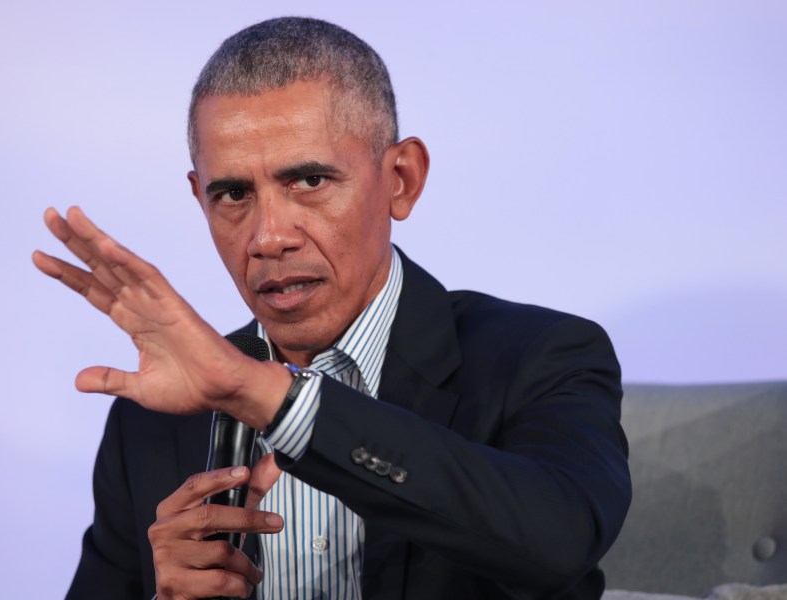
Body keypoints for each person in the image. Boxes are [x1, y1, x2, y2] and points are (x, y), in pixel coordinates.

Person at [33, 16, 631, 600]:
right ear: (200, 198)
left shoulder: (543, 357)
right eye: (234, 194)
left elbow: (559, 541)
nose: (268, 236)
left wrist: (269, 399)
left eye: (310, 181)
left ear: (401, 178)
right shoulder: (151, 420)